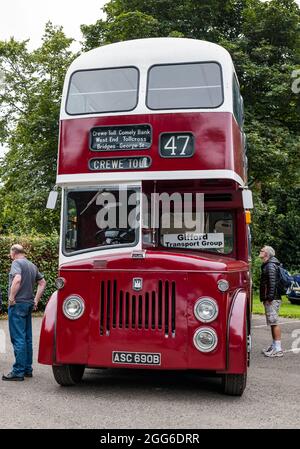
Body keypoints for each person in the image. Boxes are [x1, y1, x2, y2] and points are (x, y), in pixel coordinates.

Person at [2, 244, 46, 381]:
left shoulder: (16, 263)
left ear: (14, 252)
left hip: (17, 304)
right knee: (27, 337)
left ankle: (18, 371)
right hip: (28, 304)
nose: (10, 256)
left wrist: (11, 298)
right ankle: (27, 369)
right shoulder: (32, 265)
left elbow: (17, 279)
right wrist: (36, 301)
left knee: (18, 338)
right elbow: (42, 283)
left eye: (10, 253)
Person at [259, 245, 283, 357]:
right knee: (272, 323)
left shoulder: (270, 266)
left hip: (272, 299)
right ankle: (274, 346)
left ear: (267, 254)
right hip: (272, 298)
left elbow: (272, 283)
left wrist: (269, 298)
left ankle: (278, 349)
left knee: (274, 322)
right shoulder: (268, 265)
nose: (260, 251)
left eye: (262, 250)